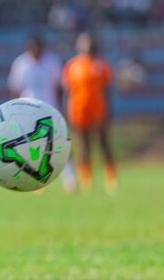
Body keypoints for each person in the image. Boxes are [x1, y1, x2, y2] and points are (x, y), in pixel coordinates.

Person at [7, 34, 76, 192]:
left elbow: (59, 87)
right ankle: (37, 181)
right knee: (32, 148)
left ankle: (69, 177)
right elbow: (15, 89)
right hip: (27, 112)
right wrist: (14, 112)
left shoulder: (52, 61)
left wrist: (60, 108)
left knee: (59, 143)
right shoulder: (20, 64)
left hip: (49, 109)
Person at [63, 32, 117, 194]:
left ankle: (111, 179)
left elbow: (107, 89)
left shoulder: (101, 64)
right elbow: (68, 90)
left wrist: (109, 110)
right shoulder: (72, 65)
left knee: (104, 143)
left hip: (98, 109)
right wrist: (67, 110)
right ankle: (86, 181)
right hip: (79, 110)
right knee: (83, 146)